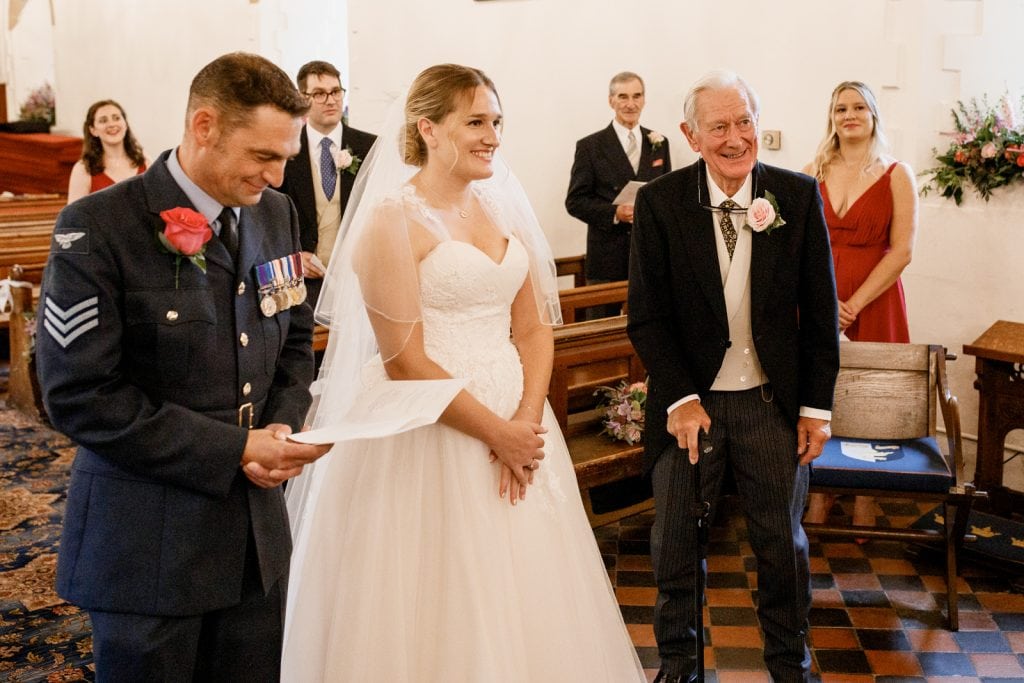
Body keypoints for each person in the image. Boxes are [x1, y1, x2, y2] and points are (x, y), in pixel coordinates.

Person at [281, 63, 646, 682]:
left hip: (520, 425)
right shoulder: (389, 221)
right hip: (432, 430)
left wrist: (527, 421)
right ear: (428, 127)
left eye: (497, 121)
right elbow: (403, 361)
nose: (492, 136)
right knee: (438, 593)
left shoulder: (501, 207)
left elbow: (532, 328)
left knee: (530, 588)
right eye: (475, 121)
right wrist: (494, 433)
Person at [35, 52, 332, 681]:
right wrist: (233, 448)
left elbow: (295, 337)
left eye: (286, 157)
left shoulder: (275, 214)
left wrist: (280, 425)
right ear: (204, 126)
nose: (278, 177)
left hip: (255, 541)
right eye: (263, 156)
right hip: (149, 545)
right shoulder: (97, 226)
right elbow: (79, 395)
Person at [627, 69, 839, 683]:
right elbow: (648, 317)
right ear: (692, 135)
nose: (735, 137)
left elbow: (821, 314)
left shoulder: (796, 197)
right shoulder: (662, 203)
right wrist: (682, 398)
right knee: (673, 548)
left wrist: (815, 409)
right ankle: (677, 666)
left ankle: (788, 665)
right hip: (687, 405)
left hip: (770, 404)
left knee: (782, 548)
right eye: (718, 126)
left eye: (743, 121)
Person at [802, 80, 917, 528]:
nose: (849, 115)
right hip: (819, 299)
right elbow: (800, 246)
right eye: (840, 108)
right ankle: (821, 491)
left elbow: (903, 250)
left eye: (858, 108)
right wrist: (827, 302)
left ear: (873, 116)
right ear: (831, 117)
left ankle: (867, 497)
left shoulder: (896, 173)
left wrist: (852, 303)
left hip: (876, 300)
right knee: (821, 394)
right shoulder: (813, 170)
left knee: (872, 397)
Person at [566, 71, 672, 318]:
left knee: (650, 323)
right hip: (607, 256)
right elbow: (575, 201)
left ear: (644, 100)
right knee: (600, 326)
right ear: (611, 101)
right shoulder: (590, 147)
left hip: (647, 252)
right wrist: (615, 213)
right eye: (623, 96)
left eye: (637, 96)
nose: (630, 103)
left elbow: (665, 194)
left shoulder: (659, 142)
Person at [277, 60, 376, 308]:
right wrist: (294, 258)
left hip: (357, 280)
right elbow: (268, 218)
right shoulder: (284, 149)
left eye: (335, 91)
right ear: (302, 98)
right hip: (302, 282)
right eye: (320, 94)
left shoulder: (371, 147)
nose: (331, 100)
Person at [67, 99, 149, 203]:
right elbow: (73, 217)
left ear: (125, 124)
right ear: (93, 130)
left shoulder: (145, 162)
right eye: (103, 120)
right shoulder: (83, 169)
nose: (111, 124)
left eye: (116, 118)